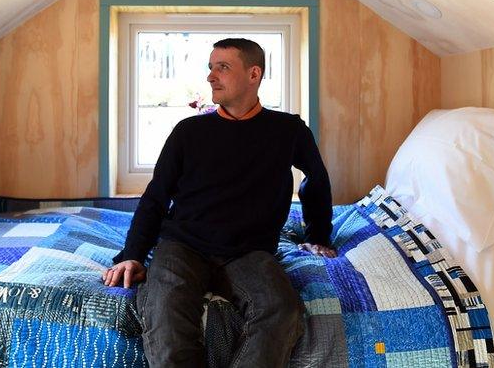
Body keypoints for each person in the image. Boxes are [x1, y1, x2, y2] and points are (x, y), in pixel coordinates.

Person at [103, 37, 335, 367]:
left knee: (282, 311)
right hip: (183, 245)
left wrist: (318, 236)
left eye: (222, 67)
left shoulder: (288, 130)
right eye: (210, 68)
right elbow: (156, 196)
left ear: (254, 74)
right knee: (164, 307)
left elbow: (317, 179)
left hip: (250, 251)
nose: (211, 76)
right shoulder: (188, 132)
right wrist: (133, 255)